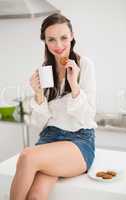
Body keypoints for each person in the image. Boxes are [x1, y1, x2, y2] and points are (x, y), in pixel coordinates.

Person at [10, 13, 97, 200]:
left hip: (78, 141)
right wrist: (39, 94)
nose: (58, 46)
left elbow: (87, 116)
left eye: (64, 38)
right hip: (49, 138)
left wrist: (74, 86)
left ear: (72, 36)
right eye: (51, 39)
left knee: (27, 156)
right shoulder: (45, 70)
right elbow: (40, 123)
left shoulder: (84, 66)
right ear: (45, 41)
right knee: (36, 196)